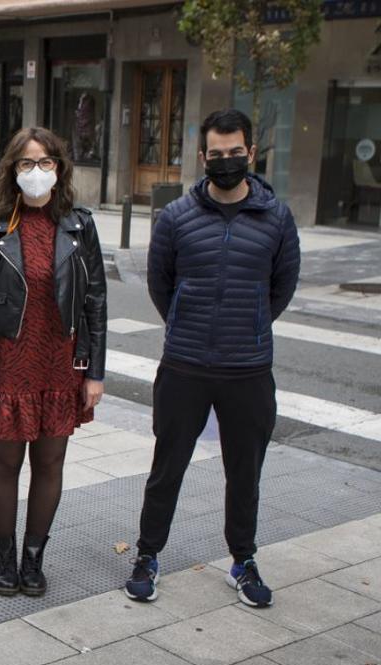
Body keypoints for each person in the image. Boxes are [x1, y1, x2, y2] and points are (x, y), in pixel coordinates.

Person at [124, 109, 300, 608]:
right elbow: (160, 285)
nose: (226, 161)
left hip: (248, 370)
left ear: (251, 153)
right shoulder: (177, 217)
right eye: (217, 154)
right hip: (185, 365)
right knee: (167, 467)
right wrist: (186, 325)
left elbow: (281, 288)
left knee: (245, 474)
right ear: (203, 157)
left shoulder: (277, 218)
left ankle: (243, 561)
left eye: (235, 153)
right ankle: (147, 555)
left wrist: (248, 327)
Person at [0, 127, 107, 597]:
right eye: (26, 164)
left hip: (61, 364)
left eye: (45, 162)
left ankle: (34, 557)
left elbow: (96, 303)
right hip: (8, 362)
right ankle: (4, 556)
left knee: (50, 463)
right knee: (4, 464)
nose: (37, 172)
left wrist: (95, 372)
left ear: (59, 169)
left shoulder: (80, 226)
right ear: (12, 171)